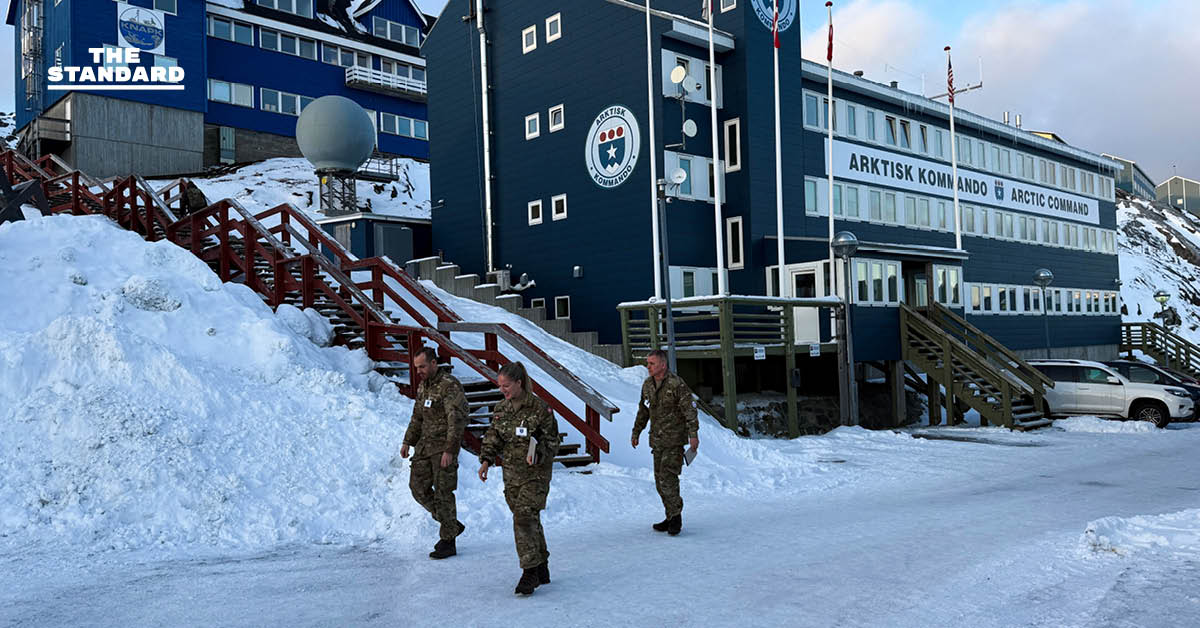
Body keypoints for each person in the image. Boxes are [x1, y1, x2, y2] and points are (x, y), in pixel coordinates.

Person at [478, 362, 560, 596]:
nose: (502, 390)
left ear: (518, 383)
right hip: (512, 476)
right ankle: (542, 565)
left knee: (523, 518)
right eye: (500, 386)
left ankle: (529, 572)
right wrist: (486, 460)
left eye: (506, 386)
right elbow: (493, 437)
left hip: (535, 475)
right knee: (528, 519)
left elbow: (553, 442)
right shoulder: (501, 409)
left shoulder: (539, 409)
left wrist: (539, 454)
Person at [400, 346, 469, 559]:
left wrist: (450, 449)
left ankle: (448, 541)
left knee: (443, 493)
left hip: (442, 449)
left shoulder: (449, 386)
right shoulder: (423, 387)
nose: (418, 370)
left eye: (422, 366)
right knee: (417, 488)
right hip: (424, 446)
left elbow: (456, 420)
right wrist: (407, 441)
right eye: (416, 367)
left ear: (433, 363)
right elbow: (417, 417)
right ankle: (451, 524)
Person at [632, 349, 699, 536]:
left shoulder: (677, 384)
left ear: (663, 364)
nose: (648, 367)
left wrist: (693, 435)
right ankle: (670, 515)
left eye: (652, 363)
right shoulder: (647, 385)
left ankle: (676, 518)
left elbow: (690, 411)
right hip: (657, 440)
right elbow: (643, 410)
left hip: (674, 440)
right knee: (659, 481)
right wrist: (636, 431)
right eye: (648, 363)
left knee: (668, 479)